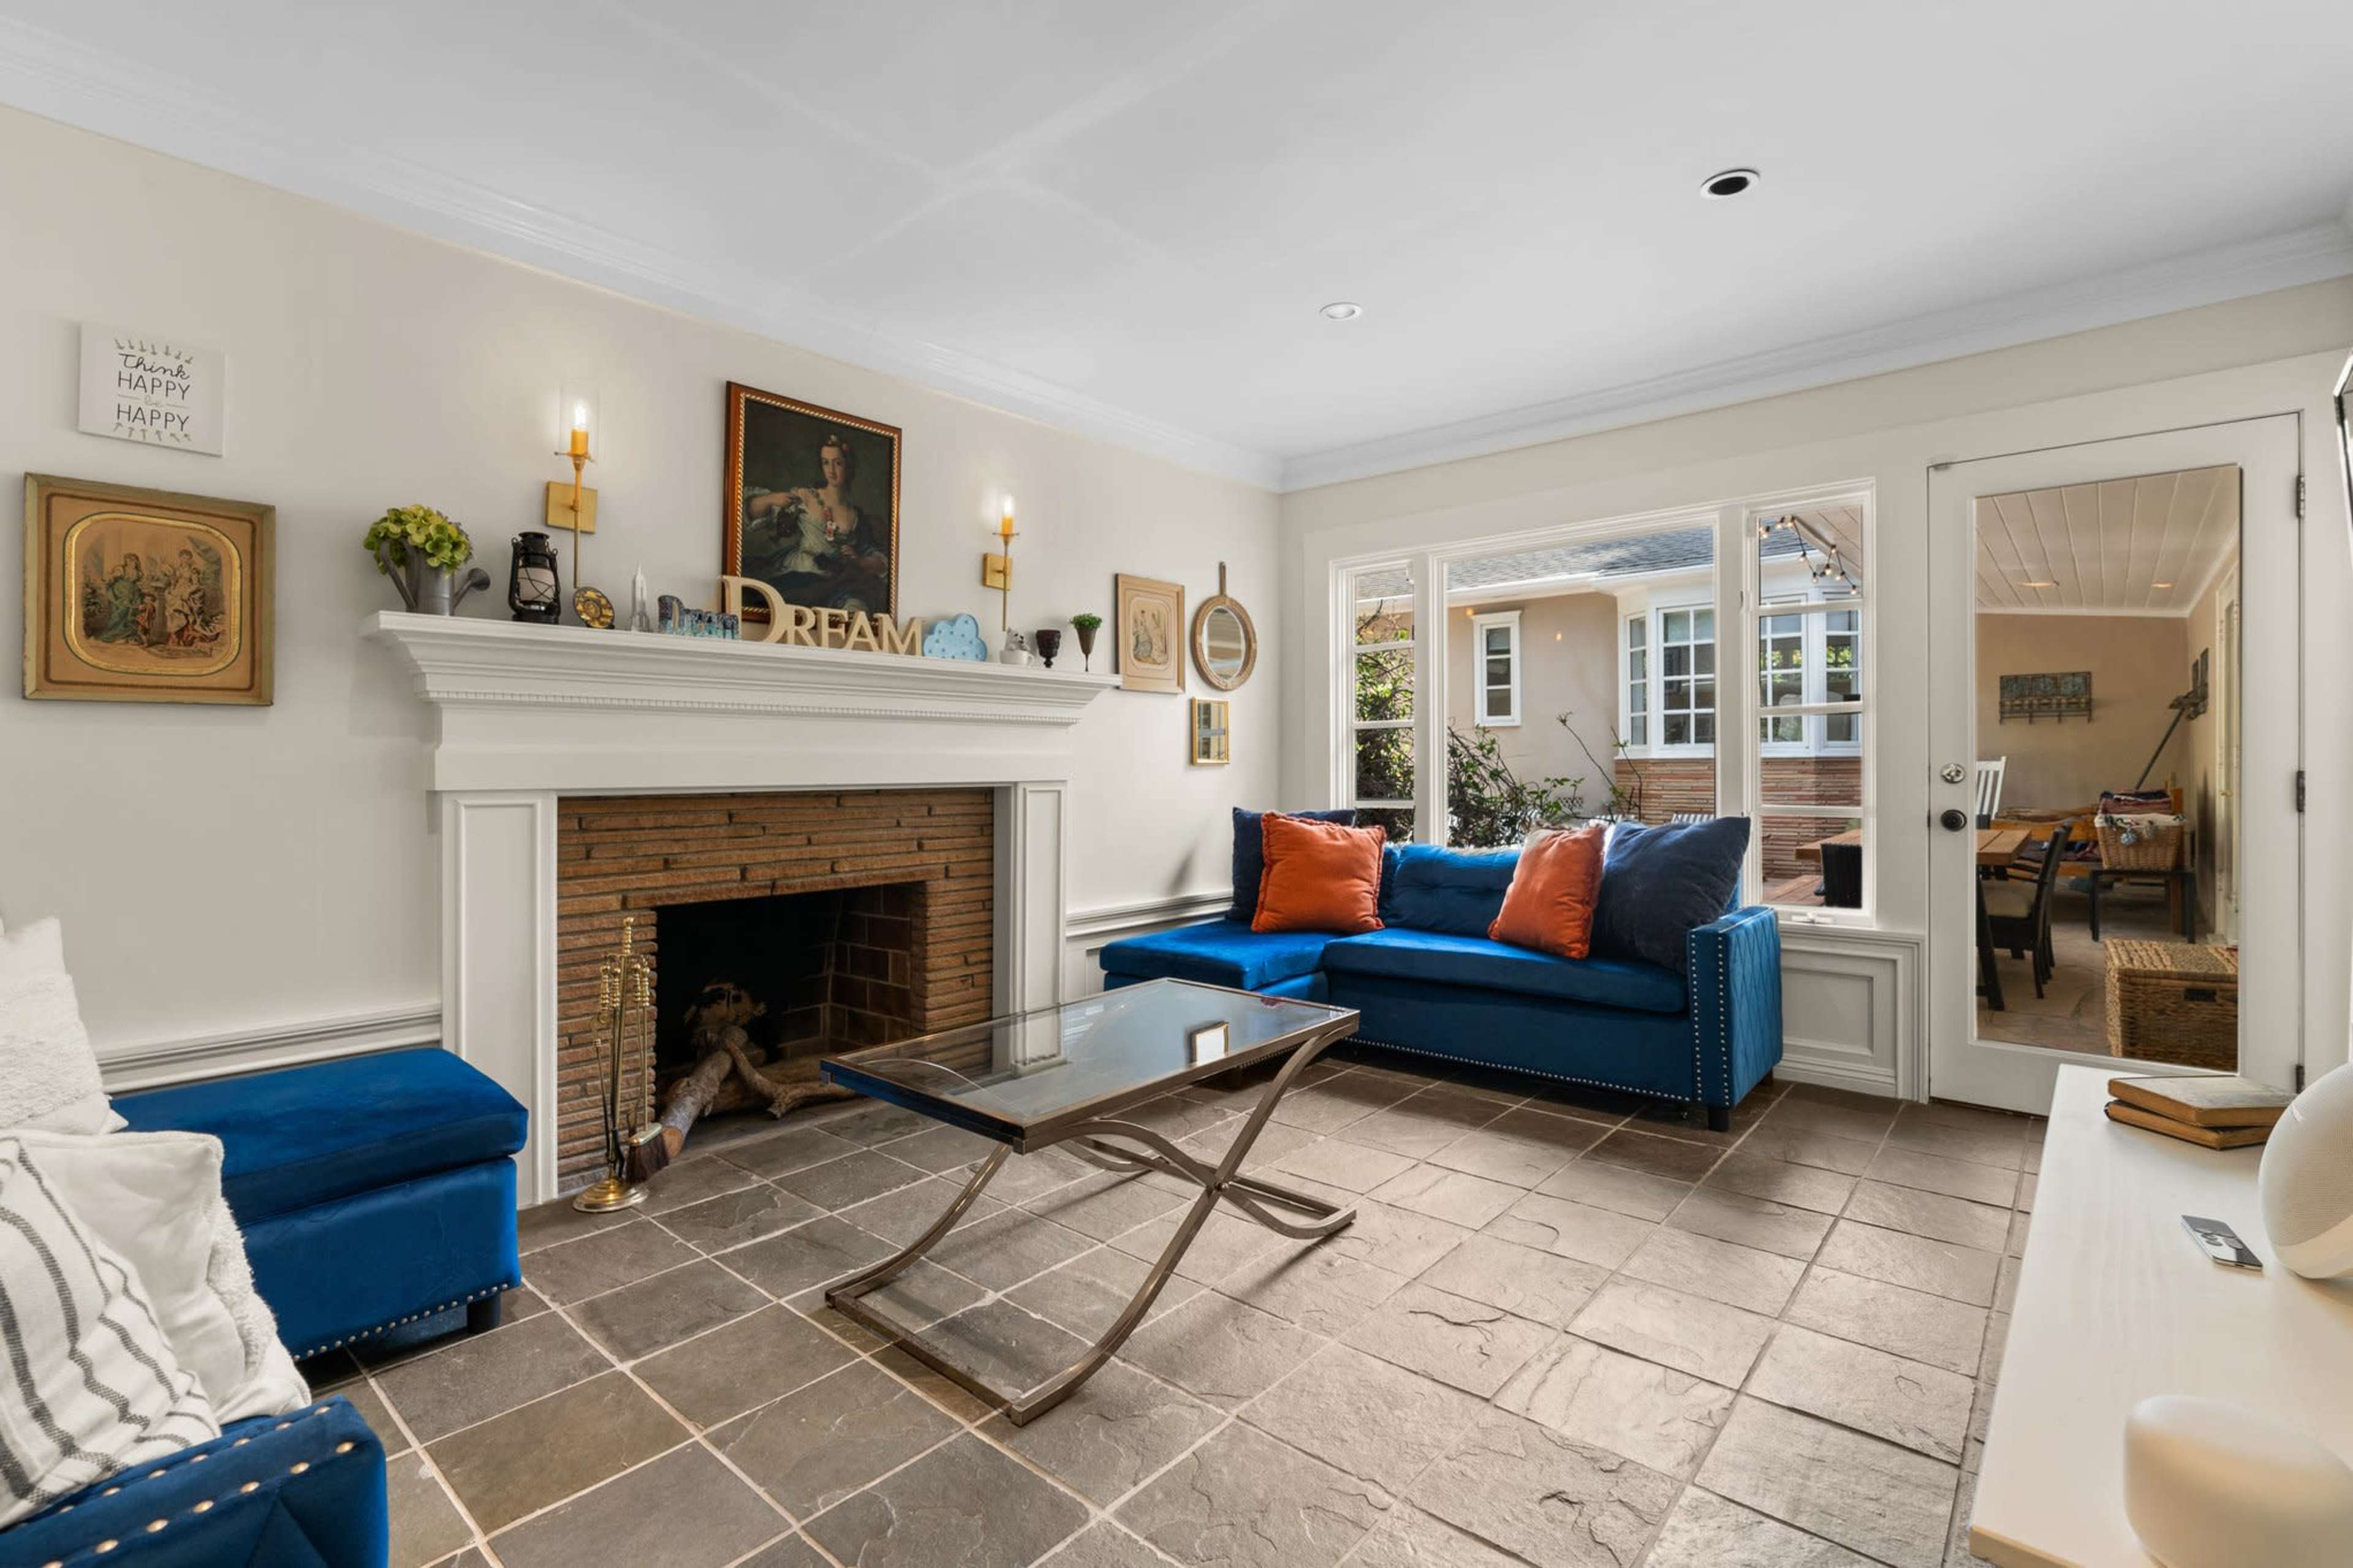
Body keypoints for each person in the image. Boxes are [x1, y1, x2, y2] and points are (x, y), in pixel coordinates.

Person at [742, 431, 891, 612]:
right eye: (826, 463)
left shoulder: (856, 515)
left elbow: (879, 560)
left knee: (856, 608)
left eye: (838, 463)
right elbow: (750, 510)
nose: (832, 471)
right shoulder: (807, 497)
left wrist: (859, 560)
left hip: (834, 581)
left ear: (849, 466)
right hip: (798, 572)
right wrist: (771, 499)